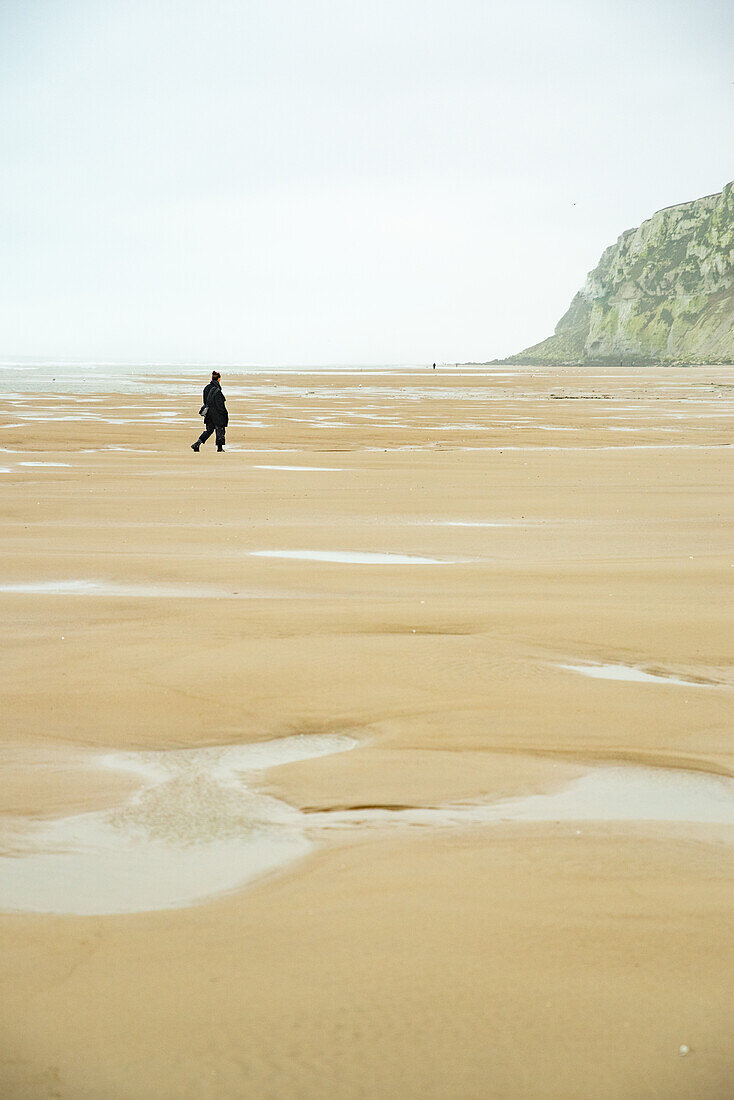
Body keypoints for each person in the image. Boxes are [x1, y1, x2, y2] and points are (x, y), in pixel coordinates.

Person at [192, 371, 228, 452]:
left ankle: (197, 444)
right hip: (217, 413)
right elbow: (220, 404)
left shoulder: (206, 388)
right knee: (220, 429)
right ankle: (220, 448)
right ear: (219, 379)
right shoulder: (217, 390)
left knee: (209, 430)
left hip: (208, 413)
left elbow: (205, 401)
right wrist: (224, 414)